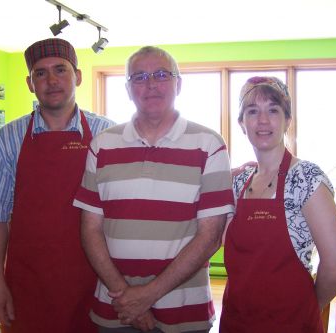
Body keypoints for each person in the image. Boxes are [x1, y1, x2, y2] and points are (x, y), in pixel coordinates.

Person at [73, 46, 234, 333]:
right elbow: (90, 230)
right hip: (115, 309)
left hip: (185, 313)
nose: (150, 84)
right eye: (139, 77)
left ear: (178, 84)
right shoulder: (102, 145)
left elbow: (210, 237)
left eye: (161, 74)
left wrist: (146, 296)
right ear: (127, 89)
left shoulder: (210, 144)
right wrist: (127, 298)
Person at [0, 38, 115, 333]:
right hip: (28, 285)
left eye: (60, 70)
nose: (51, 80)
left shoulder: (108, 135)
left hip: (97, 283)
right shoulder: (6, 141)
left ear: (77, 76)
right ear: (29, 83)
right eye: (40, 73)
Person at [219, 76, 336, 332]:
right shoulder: (238, 183)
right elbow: (220, 239)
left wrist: (311, 304)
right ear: (242, 124)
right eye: (253, 111)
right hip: (237, 322)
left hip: (292, 323)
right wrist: (219, 179)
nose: (263, 120)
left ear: (287, 120)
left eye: (273, 110)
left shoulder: (306, 179)